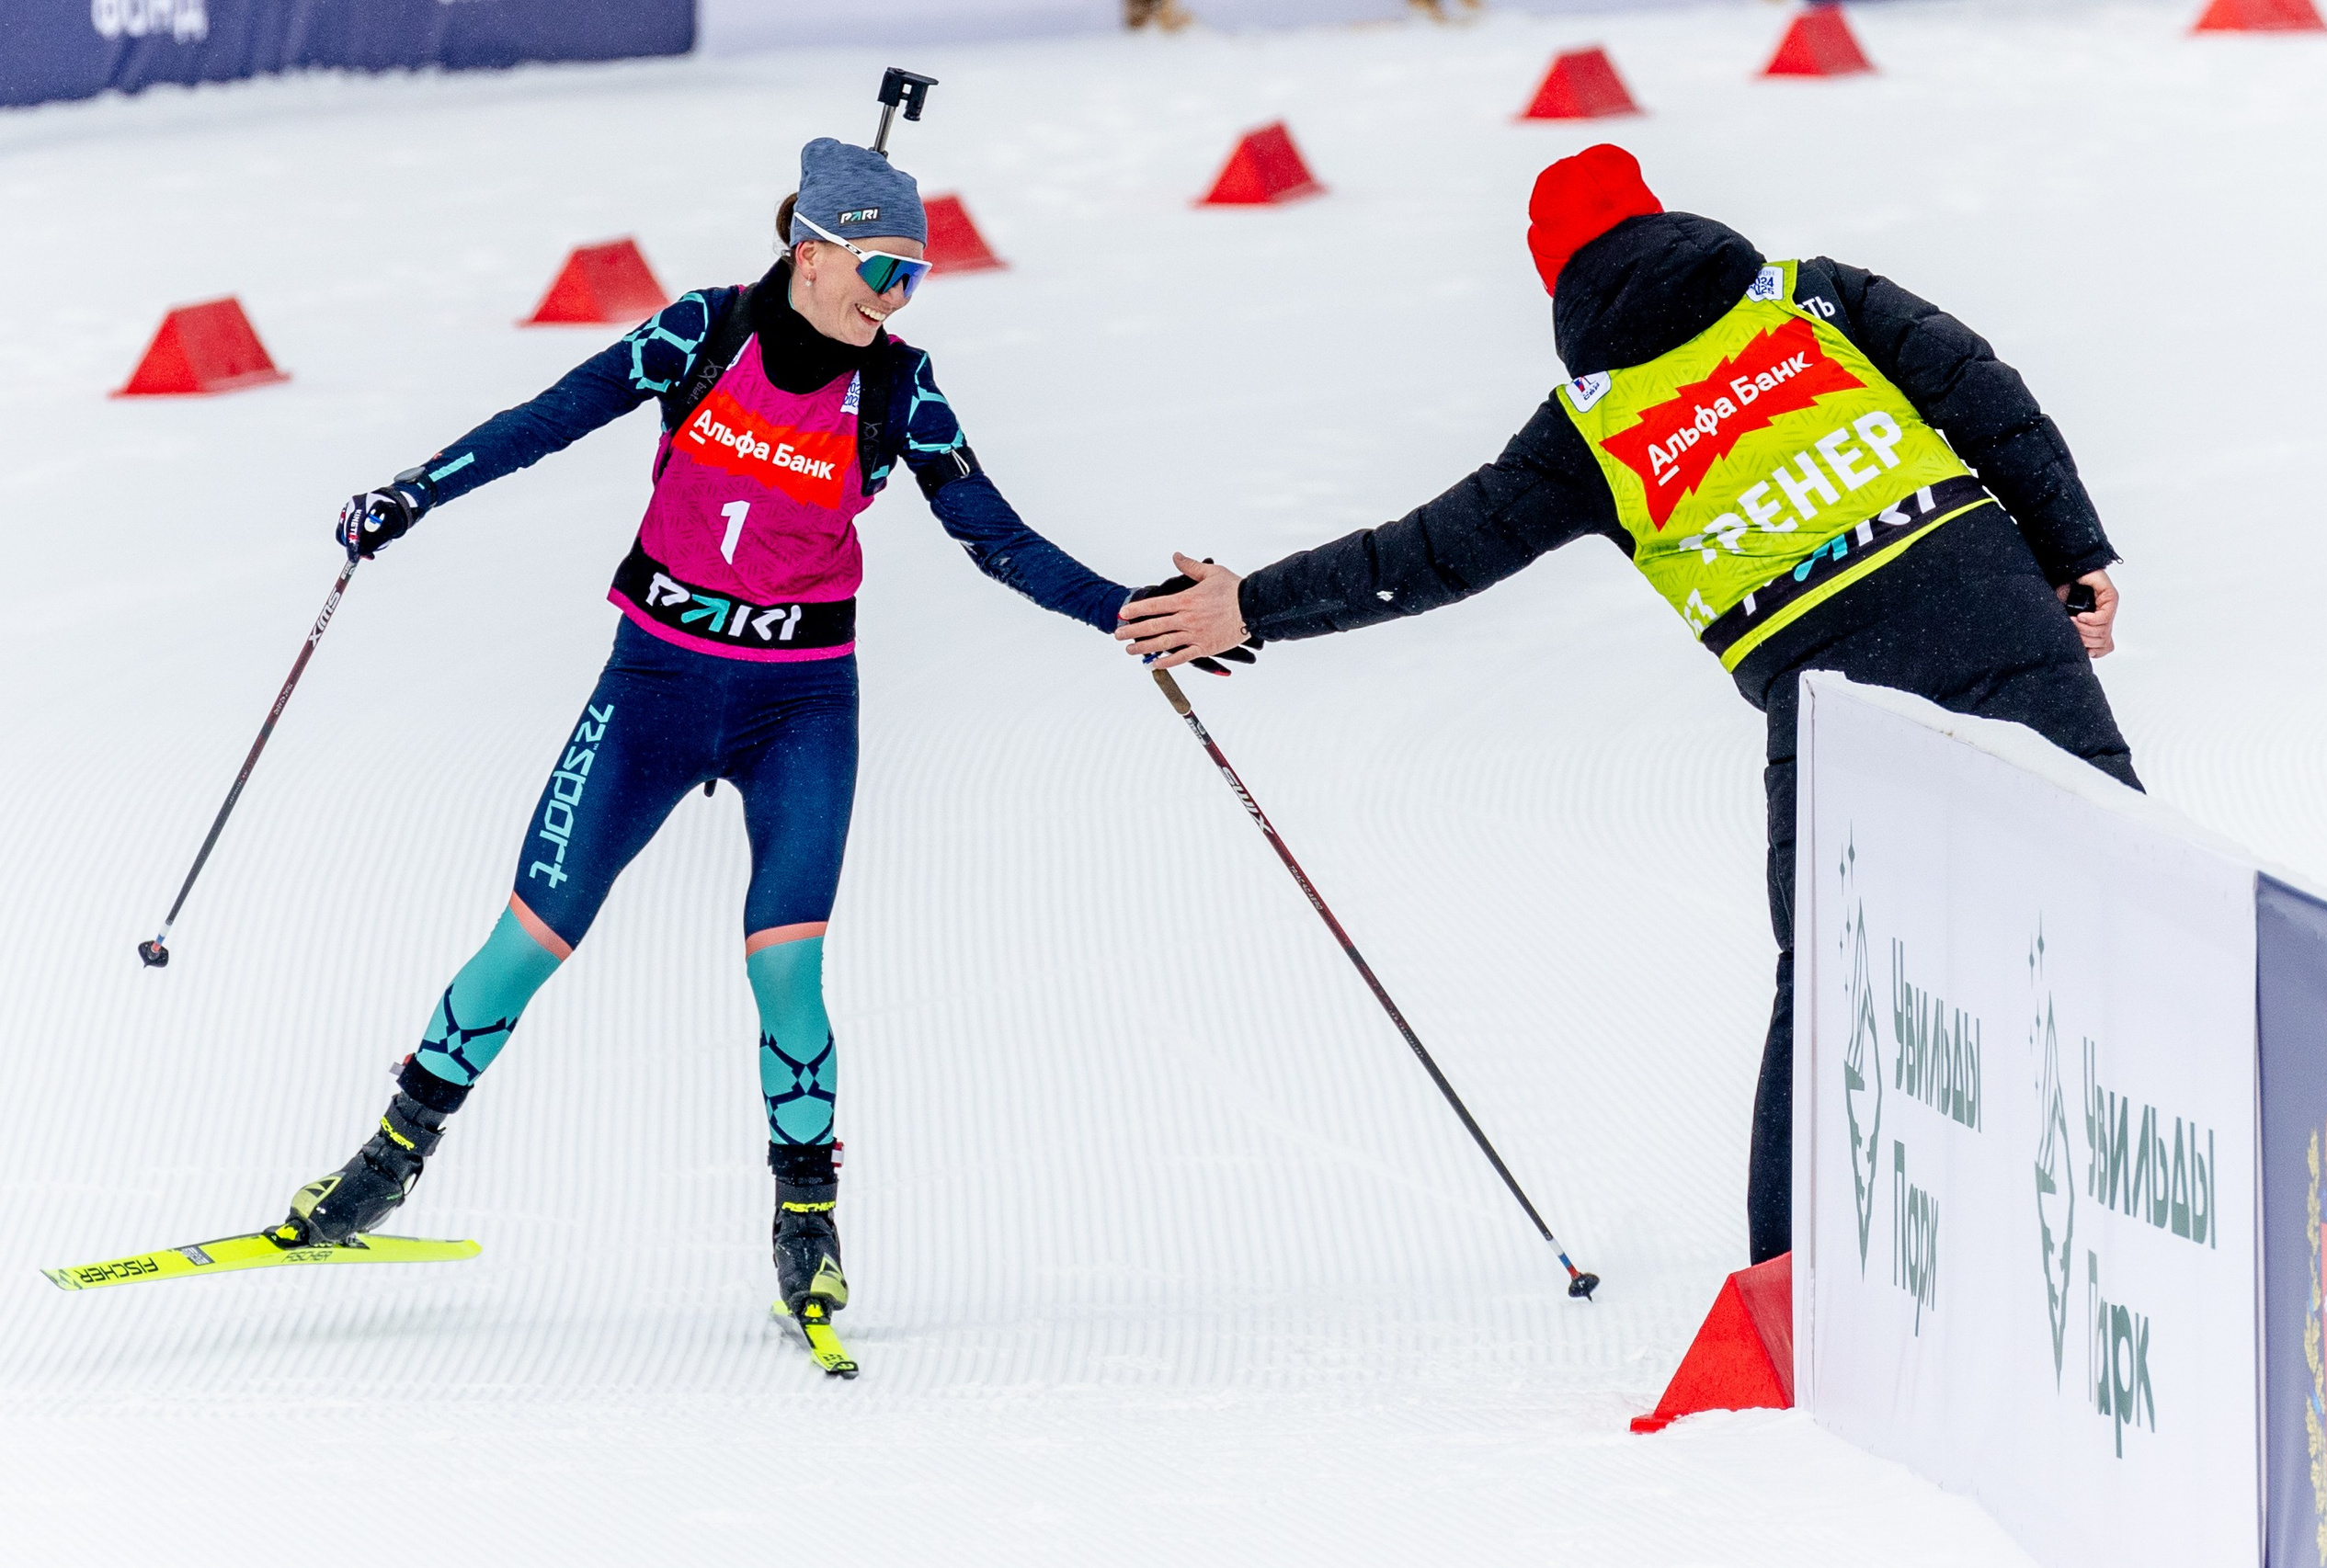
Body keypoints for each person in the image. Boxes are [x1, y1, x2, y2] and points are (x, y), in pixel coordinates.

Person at [1115, 143, 2136, 1266]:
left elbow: (1433, 552)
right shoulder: (1810, 297)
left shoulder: (1587, 428)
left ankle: (1790, 1290)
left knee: (1835, 978)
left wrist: (1252, 604)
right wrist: (2068, 554)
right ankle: (2218, 1160)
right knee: (2121, 883)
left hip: (1832, 687)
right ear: (1660, 215)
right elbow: (1985, 395)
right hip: (1988, 602)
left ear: (1555, 279)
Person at [283, 135, 1139, 1349]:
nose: (896, 299)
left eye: (915, 278)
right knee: (529, 936)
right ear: (813, 249)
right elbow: (549, 418)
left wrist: (1123, 610)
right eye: (882, 270)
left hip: (801, 705)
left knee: (786, 969)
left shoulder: (900, 389)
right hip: (653, 688)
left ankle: (807, 1224)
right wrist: (415, 491)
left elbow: (998, 538)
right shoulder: (703, 333)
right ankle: (387, 1161)